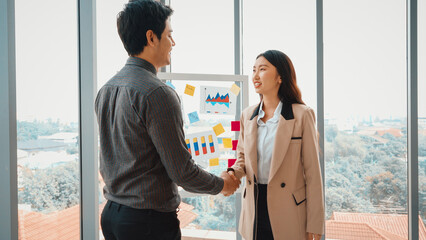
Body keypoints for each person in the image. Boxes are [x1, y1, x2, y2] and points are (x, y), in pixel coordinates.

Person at [95, 1, 240, 239]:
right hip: (147, 222)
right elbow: (182, 172)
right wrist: (222, 184)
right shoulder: (157, 93)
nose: (173, 43)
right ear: (151, 37)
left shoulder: (107, 89)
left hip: (111, 215)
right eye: (169, 35)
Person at [227, 50, 324, 240]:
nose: (255, 76)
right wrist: (232, 173)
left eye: (262, 69)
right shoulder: (247, 115)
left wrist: (315, 222)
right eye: (254, 70)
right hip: (254, 207)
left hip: (288, 209)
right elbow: (242, 158)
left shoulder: (302, 114)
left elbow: (313, 174)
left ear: (280, 76)